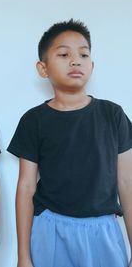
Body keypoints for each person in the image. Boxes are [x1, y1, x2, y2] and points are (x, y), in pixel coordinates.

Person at [7, 19, 132, 267]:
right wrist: (23, 256)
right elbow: (26, 187)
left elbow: (127, 182)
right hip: (51, 230)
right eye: (64, 54)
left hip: (104, 230)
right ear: (43, 68)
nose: (76, 61)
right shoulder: (34, 120)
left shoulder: (112, 114)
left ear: (92, 65)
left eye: (83, 54)